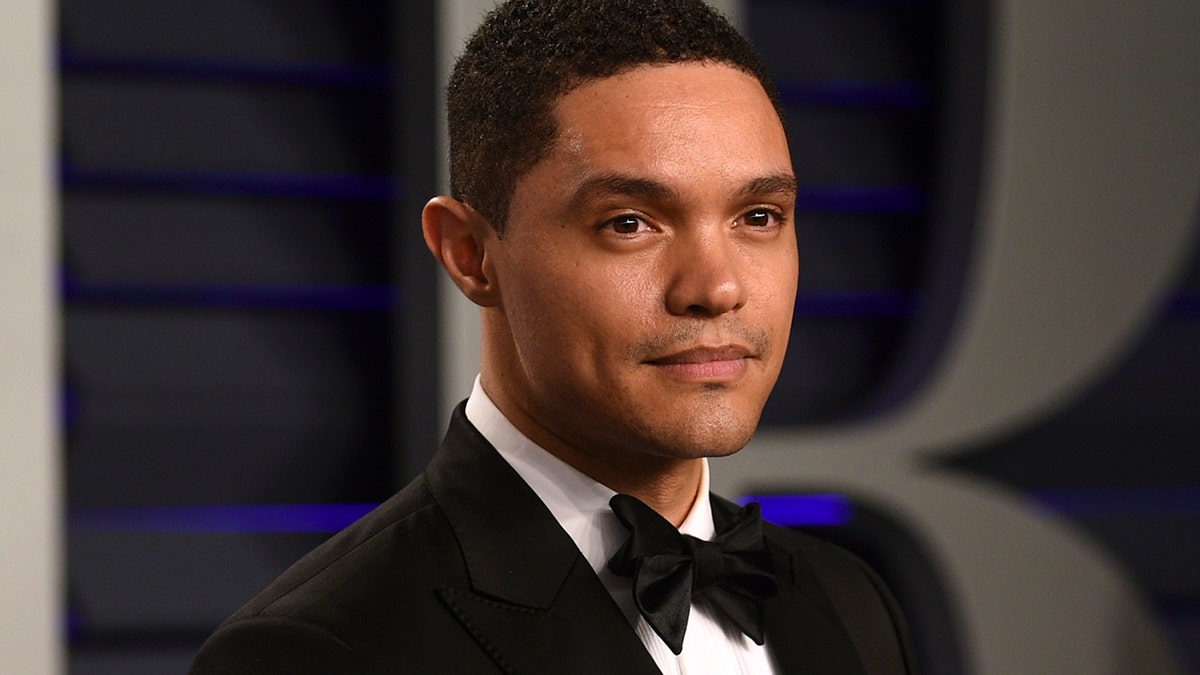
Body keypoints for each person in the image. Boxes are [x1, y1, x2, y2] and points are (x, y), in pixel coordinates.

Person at [189, 0, 914, 672]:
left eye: (757, 217)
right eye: (629, 222)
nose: (717, 288)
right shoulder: (318, 650)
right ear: (470, 254)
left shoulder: (851, 600)